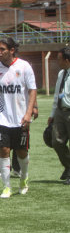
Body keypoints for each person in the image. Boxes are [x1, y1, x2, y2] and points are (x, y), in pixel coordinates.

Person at [0, 38, 37, 198]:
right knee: (4, 150)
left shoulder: (24, 66)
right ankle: (6, 187)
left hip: (21, 119)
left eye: (2, 49)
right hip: (1, 118)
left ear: (12, 50)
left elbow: (32, 90)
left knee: (21, 152)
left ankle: (24, 178)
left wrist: (28, 113)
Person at [48, 47, 70, 185]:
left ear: (67, 60)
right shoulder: (61, 73)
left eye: (59, 59)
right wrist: (52, 114)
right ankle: (68, 166)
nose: (57, 61)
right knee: (56, 141)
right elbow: (57, 94)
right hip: (60, 112)